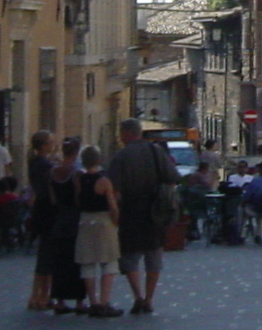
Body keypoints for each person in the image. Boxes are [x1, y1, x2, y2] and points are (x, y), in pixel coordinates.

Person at [107, 118, 181, 316]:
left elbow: (112, 187)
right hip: (155, 209)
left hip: (131, 208)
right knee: (153, 253)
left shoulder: (121, 156)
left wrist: (114, 210)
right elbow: (173, 178)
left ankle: (138, 296)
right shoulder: (156, 151)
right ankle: (149, 298)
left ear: (125, 134)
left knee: (130, 255)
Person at [72, 144, 121, 317]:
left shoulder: (79, 179)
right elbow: (112, 206)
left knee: (88, 263)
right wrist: (116, 220)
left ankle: (92, 302)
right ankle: (104, 301)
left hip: (85, 221)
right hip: (103, 221)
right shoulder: (104, 181)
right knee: (109, 261)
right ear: (99, 160)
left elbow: (78, 201)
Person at [43, 138, 87, 314]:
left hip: (59, 219)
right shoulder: (77, 173)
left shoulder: (53, 172)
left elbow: (53, 199)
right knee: (78, 261)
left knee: (60, 261)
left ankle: (59, 300)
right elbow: (79, 198)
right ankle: (79, 301)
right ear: (76, 153)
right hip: (75, 220)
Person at [24, 132, 62, 311]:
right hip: (49, 212)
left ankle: (38, 296)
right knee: (48, 257)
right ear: (43, 145)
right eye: (51, 142)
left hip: (40, 210)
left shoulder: (34, 163)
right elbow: (52, 188)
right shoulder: (46, 166)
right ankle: (41, 296)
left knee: (44, 256)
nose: (53, 144)